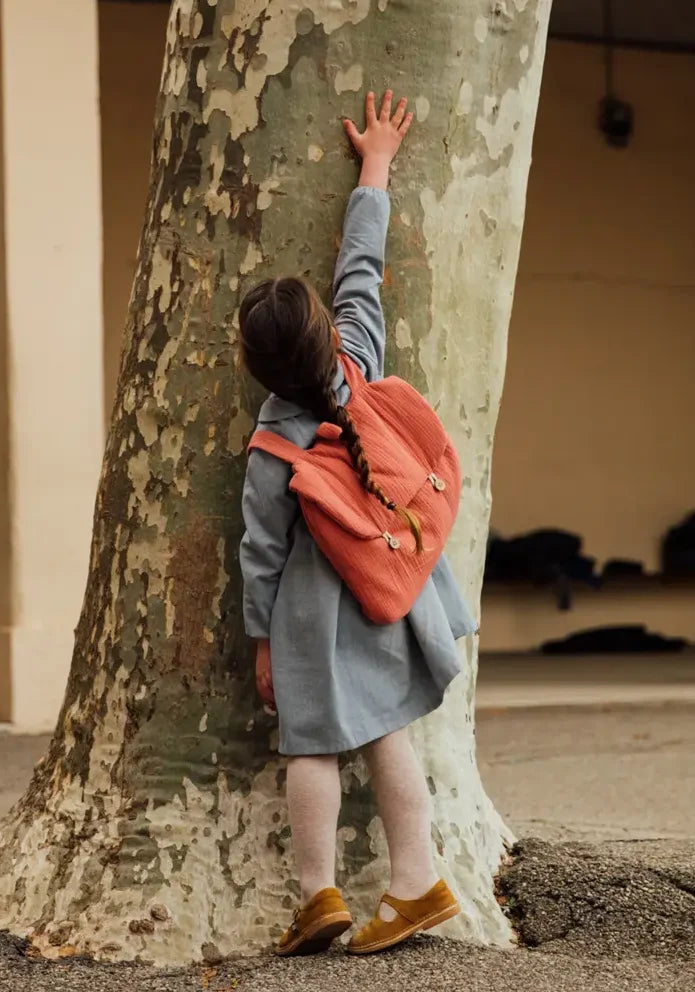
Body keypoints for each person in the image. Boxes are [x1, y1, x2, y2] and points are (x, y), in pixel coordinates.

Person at [237, 90, 477, 957]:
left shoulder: (271, 446)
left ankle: (318, 897)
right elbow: (360, 269)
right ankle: (413, 879)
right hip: (390, 584)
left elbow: (261, 555)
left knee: (311, 745)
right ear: (321, 337)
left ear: (253, 364)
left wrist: (261, 642)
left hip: (311, 611)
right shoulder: (359, 357)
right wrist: (374, 162)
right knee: (387, 735)